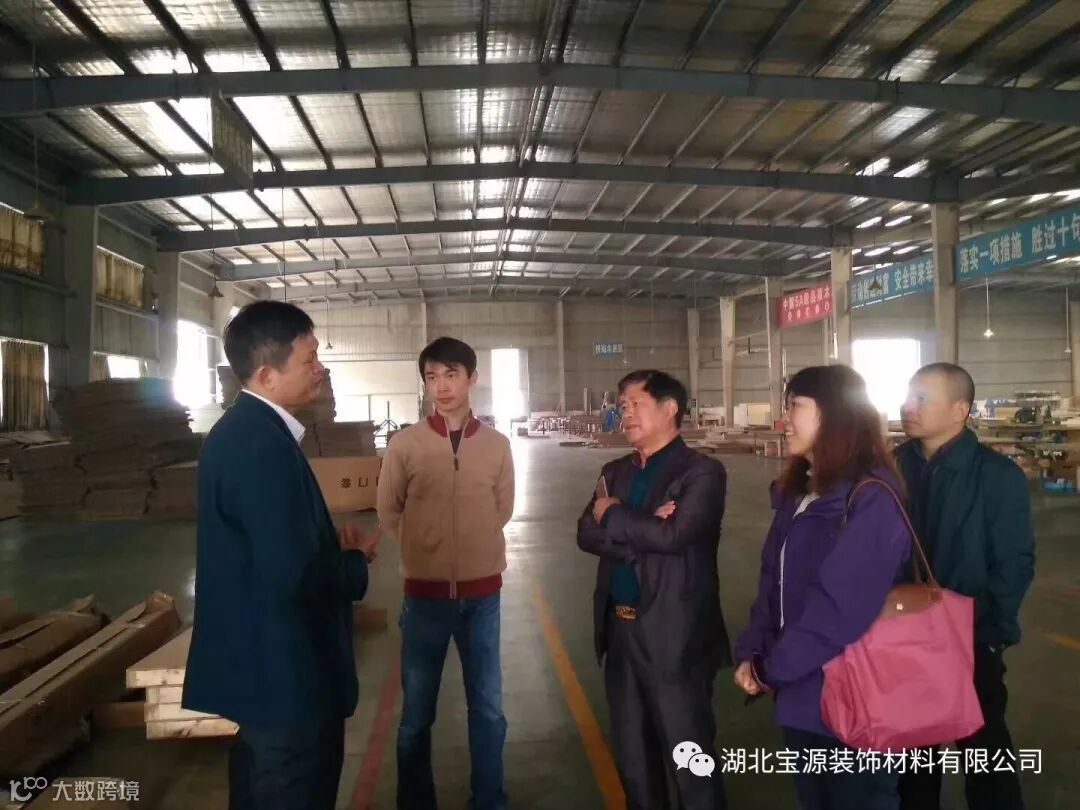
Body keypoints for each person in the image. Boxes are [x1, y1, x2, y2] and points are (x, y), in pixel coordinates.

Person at [183, 301, 381, 810]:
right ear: (267, 375)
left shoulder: (246, 433)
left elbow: (271, 549)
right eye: (309, 359)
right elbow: (291, 574)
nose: (321, 369)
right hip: (287, 679)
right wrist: (353, 563)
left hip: (265, 674)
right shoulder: (260, 447)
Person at [732, 365, 913, 810]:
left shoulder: (871, 498)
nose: (784, 419)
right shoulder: (800, 494)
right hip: (802, 694)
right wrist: (753, 650)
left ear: (834, 414)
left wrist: (770, 669)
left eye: (795, 405)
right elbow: (771, 583)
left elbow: (837, 612)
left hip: (854, 698)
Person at [577, 369, 731, 810]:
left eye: (636, 404)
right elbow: (585, 534)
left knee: (690, 762)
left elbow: (675, 536)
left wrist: (613, 514)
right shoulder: (614, 471)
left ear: (669, 409)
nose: (625, 413)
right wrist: (642, 530)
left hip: (674, 637)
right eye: (622, 405)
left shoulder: (702, 472)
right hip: (620, 633)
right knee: (634, 761)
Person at [376, 336, 515, 810]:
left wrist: (472, 546)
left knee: (489, 711)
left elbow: (502, 509)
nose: (441, 386)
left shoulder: (496, 446)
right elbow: (388, 510)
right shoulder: (406, 445)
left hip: (483, 599)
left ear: (472, 378)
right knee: (416, 716)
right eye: (432, 377)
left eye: (451, 375)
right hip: (425, 601)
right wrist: (425, 549)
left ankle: (489, 800)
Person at [896, 363, 1035, 810]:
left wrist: (983, 630)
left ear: (960, 410)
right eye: (908, 396)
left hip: (971, 640)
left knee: (985, 753)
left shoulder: (996, 476)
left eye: (922, 398)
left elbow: (1014, 564)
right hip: (905, 637)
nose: (908, 406)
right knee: (913, 758)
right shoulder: (894, 467)